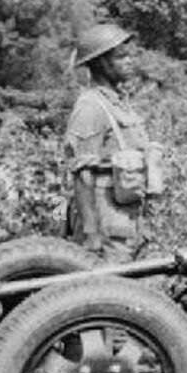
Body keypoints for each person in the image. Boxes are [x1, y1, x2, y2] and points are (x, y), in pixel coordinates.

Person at [64, 24, 162, 260]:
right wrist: (91, 234)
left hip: (127, 220)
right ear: (101, 64)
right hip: (106, 227)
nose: (130, 61)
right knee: (109, 291)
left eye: (130, 55)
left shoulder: (118, 103)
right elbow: (83, 175)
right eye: (121, 57)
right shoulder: (91, 107)